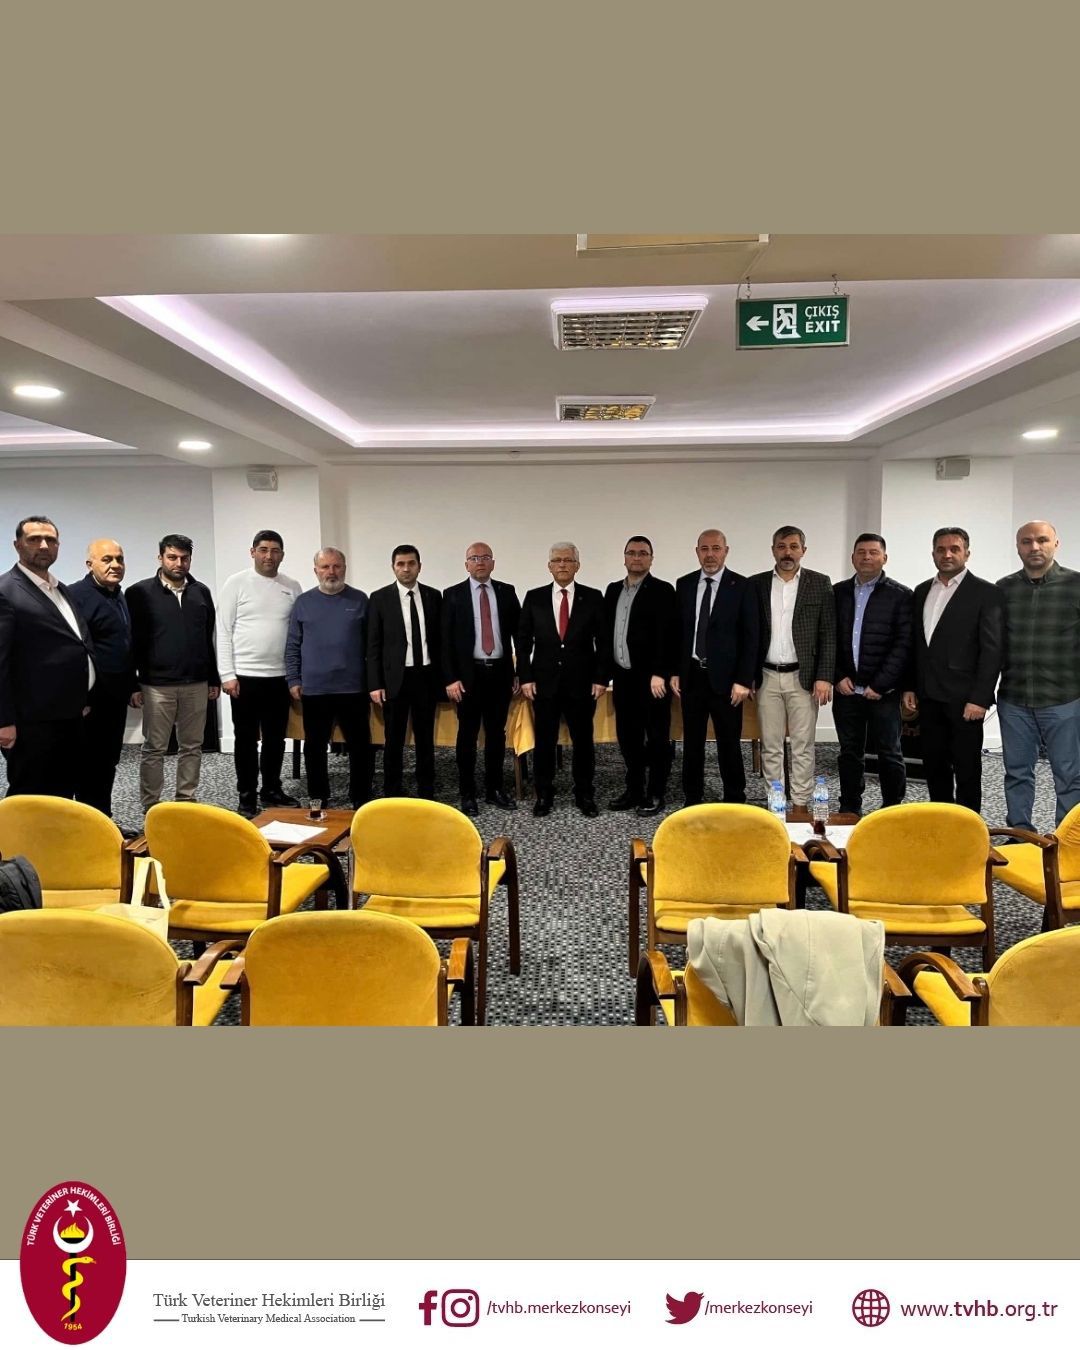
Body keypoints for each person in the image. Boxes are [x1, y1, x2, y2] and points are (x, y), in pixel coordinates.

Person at [903, 527, 1003, 814]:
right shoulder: (922, 590)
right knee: (934, 764)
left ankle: (968, 825)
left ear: (966, 553)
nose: (947, 554)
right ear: (933, 553)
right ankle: (941, 819)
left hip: (965, 700)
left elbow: (992, 650)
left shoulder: (987, 593)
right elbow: (916, 644)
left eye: (954, 549)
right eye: (941, 549)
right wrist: (910, 686)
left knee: (966, 767)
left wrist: (980, 698)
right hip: (928, 696)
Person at [0, 516, 95, 798]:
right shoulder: (6, 591)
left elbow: (76, 642)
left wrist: (81, 698)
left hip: (67, 714)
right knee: (31, 796)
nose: (44, 545)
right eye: (34, 539)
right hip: (31, 721)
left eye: (50, 540)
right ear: (17, 545)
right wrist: (3, 721)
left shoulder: (59, 588)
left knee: (62, 790)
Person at [995, 520, 1080, 830]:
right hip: (1014, 699)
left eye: (1042, 540)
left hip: (1064, 699)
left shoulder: (1076, 585)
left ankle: (1067, 840)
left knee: (1069, 775)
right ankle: (1020, 832)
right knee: (1016, 772)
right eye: (1026, 541)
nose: (1034, 547)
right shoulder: (1002, 589)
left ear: (1055, 544)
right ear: (1018, 547)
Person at [126, 533, 220, 812]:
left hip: (196, 682)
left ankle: (186, 801)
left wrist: (213, 678)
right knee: (154, 747)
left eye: (184, 558)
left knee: (192, 746)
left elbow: (208, 637)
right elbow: (131, 642)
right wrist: (132, 684)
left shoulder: (201, 592)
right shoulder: (139, 593)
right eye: (172, 557)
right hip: (156, 685)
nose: (179, 563)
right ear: (160, 558)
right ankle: (151, 805)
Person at [517, 542, 607, 818]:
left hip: (582, 684)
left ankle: (584, 793)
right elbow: (523, 642)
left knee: (583, 741)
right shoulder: (534, 597)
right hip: (544, 684)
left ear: (577, 565)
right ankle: (544, 793)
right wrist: (525, 677)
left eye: (568, 560)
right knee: (544, 741)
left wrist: (601, 678)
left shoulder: (593, 597)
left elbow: (603, 642)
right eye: (557, 560)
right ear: (549, 566)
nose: (563, 564)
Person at [217, 530, 303, 816]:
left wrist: (295, 675)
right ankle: (247, 795)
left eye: (275, 550)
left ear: (282, 554)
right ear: (252, 552)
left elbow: (298, 633)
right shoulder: (236, 583)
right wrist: (227, 674)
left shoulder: (292, 586)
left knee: (276, 739)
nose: (269, 556)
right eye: (263, 549)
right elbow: (223, 631)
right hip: (244, 677)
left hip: (280, 677)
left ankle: (271, 789)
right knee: (245, 740)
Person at [672, 529, 759, 807]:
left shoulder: (742, 586)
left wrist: (744, 679)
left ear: (726, 551)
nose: (710, 554)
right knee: (692, 743)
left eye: (716, 548)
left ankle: (734, 798)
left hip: (728, 681)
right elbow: (679, 633)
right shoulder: (684, 584)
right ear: (697, 551)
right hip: (692, 676)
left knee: (729, 743)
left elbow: (751, 636)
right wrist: (675, 671)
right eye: (705, 549)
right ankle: (692, 798)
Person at [751, 526, 835, 808]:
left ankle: (800, 803)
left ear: (803, 550)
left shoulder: (819, 583)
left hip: (804, 677)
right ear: (773, 550)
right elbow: (749, 633)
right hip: (767, 676)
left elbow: (828, 633)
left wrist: (824, 676)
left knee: (803, 745)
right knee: (771, 746)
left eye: (793, 546)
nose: (787, 552)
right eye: (781, 546)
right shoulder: (757, 584)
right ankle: (775, 802)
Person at [831, 533, 913, 816]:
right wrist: (837, 675)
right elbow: (829, 639)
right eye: (861, 552)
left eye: (873, 552)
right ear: (853, 557)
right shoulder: (837, 593)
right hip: (846, 690)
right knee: (849, 752)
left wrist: (880, 684)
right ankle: (849, 806)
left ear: (884, 558)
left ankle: (892, 809)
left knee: (889, 752)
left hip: (883, 692)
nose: (867, 557)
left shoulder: (901, 595)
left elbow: (904, 645)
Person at [286, 548, 372, 809]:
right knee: (314, 747)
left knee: (360, 746)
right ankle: (318, 796)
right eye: (325, 567)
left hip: (353, 688)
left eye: (336, 566)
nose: (331, 572)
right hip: (315, 689)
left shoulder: (360, 600)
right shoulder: (303, 602)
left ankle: (360, 796)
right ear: (316, 571)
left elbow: (372, 646)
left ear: (344, 568)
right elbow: (293, 644)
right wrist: (293, 679)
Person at [441, 541, 521, 816]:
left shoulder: (507, 592)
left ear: (493, 563)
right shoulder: (453, 594)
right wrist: (450, 678)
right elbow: (445, 641)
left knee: (497, 735)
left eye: (485, 557)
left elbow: (520, 636)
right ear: (466, 565)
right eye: (474, 558)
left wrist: (519, 672)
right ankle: (468, 793)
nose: (480, 562)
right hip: (468, 676)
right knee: (467, 735)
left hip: (499, 673)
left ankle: (494, 788)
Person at [604, 535, 678, 817]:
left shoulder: (663, 590)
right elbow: (606, 634)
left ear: (651, 558)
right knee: (628, 738)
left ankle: (656, 792)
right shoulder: (613, 590)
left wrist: (660, 672)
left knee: (657, 739)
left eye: (643, 553)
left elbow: (668, 635)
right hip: (623, 678)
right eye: (632, 553)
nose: (637, 558)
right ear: (624, 557)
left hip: (652, 681)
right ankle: (634, 788)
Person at [367, 545, 443, 799]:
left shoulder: (433, 596)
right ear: (393, 568)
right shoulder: (379, 598)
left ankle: (426, 790)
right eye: (401, 564)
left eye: (411, 563)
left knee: (425, 739)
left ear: (419, 566)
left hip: (425, 677)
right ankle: (393, 791)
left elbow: (440, 641)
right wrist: (375, 683)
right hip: (394, 680)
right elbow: (373, 645)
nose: (406, 568)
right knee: (394, 739)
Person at [69, 538, 135, 816]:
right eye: (107, 559)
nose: (115, 565)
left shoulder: (118, 595)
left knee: (108, 762)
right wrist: (80, 698)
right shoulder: (76, 596)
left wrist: (132, 686)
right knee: (88, 766)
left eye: (119, 559)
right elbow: (73, 652)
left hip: (115, 698)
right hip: (90, 702)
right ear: (90, 564)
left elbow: (123, 645)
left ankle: (103, 822)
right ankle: (87, 827)